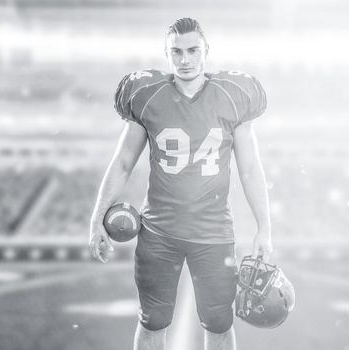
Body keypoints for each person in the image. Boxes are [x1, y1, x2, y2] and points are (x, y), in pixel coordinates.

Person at [88, 17, 272, 350]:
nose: (185, 59)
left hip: (214, 233)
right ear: (166, 54)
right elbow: (123, 162)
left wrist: (265, 228)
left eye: (192, 50)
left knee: (219, 324)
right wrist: (95, 219)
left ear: (206, 52)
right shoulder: (147, 96)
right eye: (176, 52)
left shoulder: (232, 96)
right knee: (152, 322)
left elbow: (250, 168)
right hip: (159, 233)